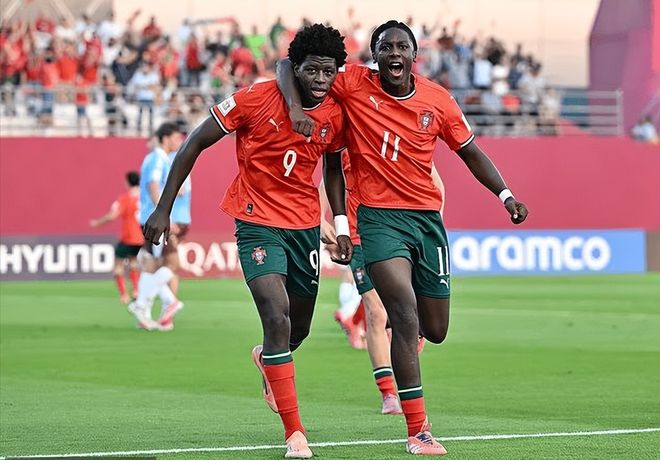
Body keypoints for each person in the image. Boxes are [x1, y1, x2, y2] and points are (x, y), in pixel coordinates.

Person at [277, 20, 529, 456]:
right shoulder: (354, 83)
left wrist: (506, 196)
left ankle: (400, 359)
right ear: (375, 56)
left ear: (414, 55)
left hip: (426, 222)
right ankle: (418, 429)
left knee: (435, 329)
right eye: (385, 47)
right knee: (401, 314)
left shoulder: (438, 99)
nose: (393, 53)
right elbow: (287, 65)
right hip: (377, 221)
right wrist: (295, 109)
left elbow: (470, 152)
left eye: (401, 47)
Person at [142, 24, 352, 459]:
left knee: (297, 330)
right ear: (297, 68)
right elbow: (194, 143)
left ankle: (267, 358)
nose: (320, 79)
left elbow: (334, 170)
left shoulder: (335, 112)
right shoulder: (255, 98)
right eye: (311, 70)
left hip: (304, 227)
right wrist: (163, 208)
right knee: (276, 318)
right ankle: (295, 434)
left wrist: (341, 224)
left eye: (328, 71)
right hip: (257, 221)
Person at [322, 154, 447, 417]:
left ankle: (408, 334)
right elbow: (328, 179)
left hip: (402, 234)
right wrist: (326, 225)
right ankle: (388, 393)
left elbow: (435, 181)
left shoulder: (401, 139)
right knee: (376, 312)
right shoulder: (350, 142)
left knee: (407, 314)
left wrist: (431, 230)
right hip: (360, 237)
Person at [128, 122, 185, 331]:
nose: (179, 141)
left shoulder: (155, 158)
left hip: (149, 217)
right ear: (165, 138)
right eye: (176, 137)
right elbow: (153, 184)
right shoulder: (158, 158)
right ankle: (148, 303)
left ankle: (146, 306)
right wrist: (163, 214)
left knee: (152, 264)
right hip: (154, 219)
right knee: (171, 263)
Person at [90, 171, 143, 304]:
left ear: (127, 182)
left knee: (118, 265)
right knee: (133, 262)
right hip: (141, 238)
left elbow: (112, 215)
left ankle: (124, 295)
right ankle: (136, 290)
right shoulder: (144, 197)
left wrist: (98, 223)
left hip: (128, 237)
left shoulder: (125, 199)